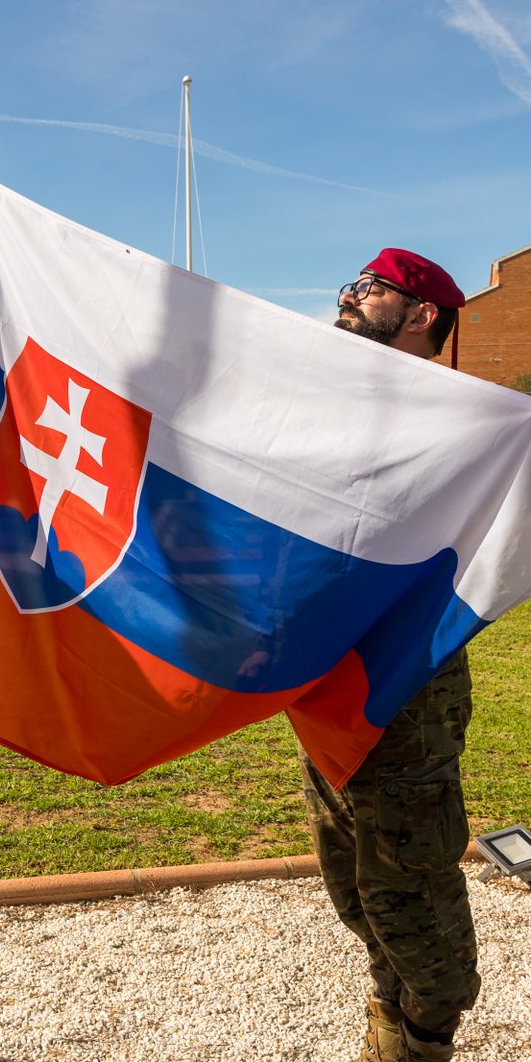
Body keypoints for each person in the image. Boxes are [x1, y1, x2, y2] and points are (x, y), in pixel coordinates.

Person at [299, 249, 476, 1062]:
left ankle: (424, 1037)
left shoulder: (463, 421)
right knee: (352, 882)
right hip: (326, 681)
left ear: (422, 315)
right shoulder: (334, 407)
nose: (349, 296)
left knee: (413, 887)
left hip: (405, 693)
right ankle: (387, 1018)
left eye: (370, 289)